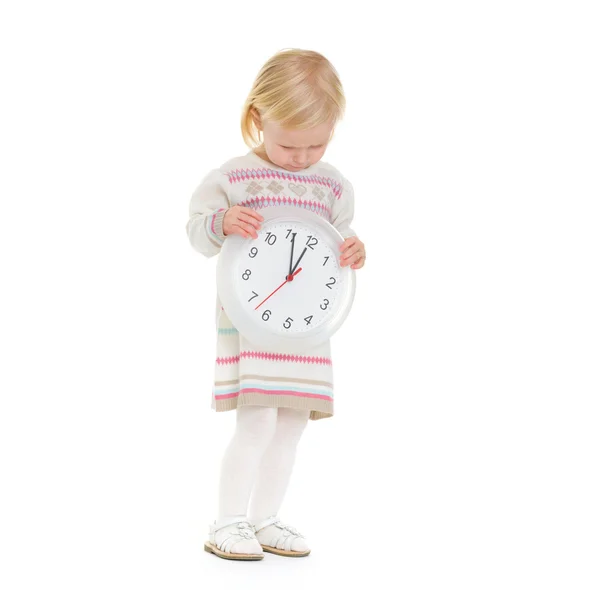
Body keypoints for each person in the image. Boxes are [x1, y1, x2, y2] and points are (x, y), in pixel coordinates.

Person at [185, 48, 366, 561]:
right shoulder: (235, 178)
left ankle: (265, 519)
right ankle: (227, 522)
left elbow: (337, 239)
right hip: (252, 321)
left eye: (317, 143)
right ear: (257, 119)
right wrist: (222, 223)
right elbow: (198, 233)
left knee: (292, 423)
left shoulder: (332, 185)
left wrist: (353, 247)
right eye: (289, 144)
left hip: (307, 325)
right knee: (258, 420)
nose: (302, 156)